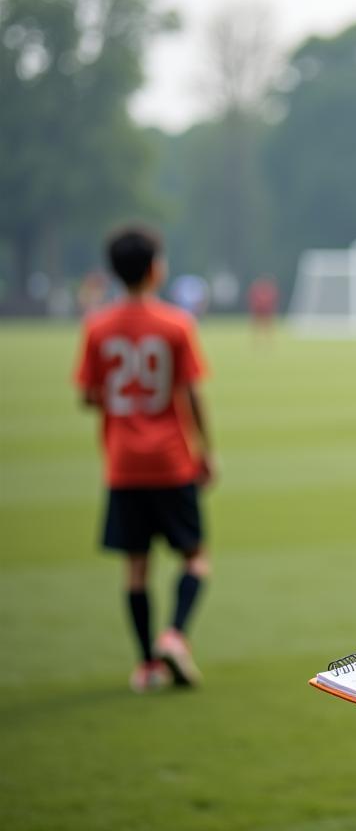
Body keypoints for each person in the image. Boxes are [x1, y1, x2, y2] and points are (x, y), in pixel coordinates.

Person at [74, 226, 214, 693]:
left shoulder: (97, 326)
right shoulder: (176, 324)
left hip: (122, 464)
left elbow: (90, 396)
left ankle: (146, 665)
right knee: (195, 557)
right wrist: (206, 452)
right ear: (156, 267)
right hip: (172, 462)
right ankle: (174, 635)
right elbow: (191, 392)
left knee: (136, 567)